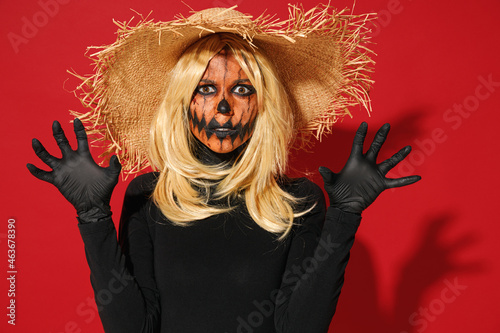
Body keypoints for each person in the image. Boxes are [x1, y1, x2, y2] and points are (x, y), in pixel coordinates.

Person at [27, 5, 420, 333]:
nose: (224, 107)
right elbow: (133, 328)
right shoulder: (148, 196)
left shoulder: (299, 202)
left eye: (243, 89)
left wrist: (344, 217)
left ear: (264, 105)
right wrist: (93, 217)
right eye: (206, 88)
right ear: (182, 102)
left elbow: (299, 328)